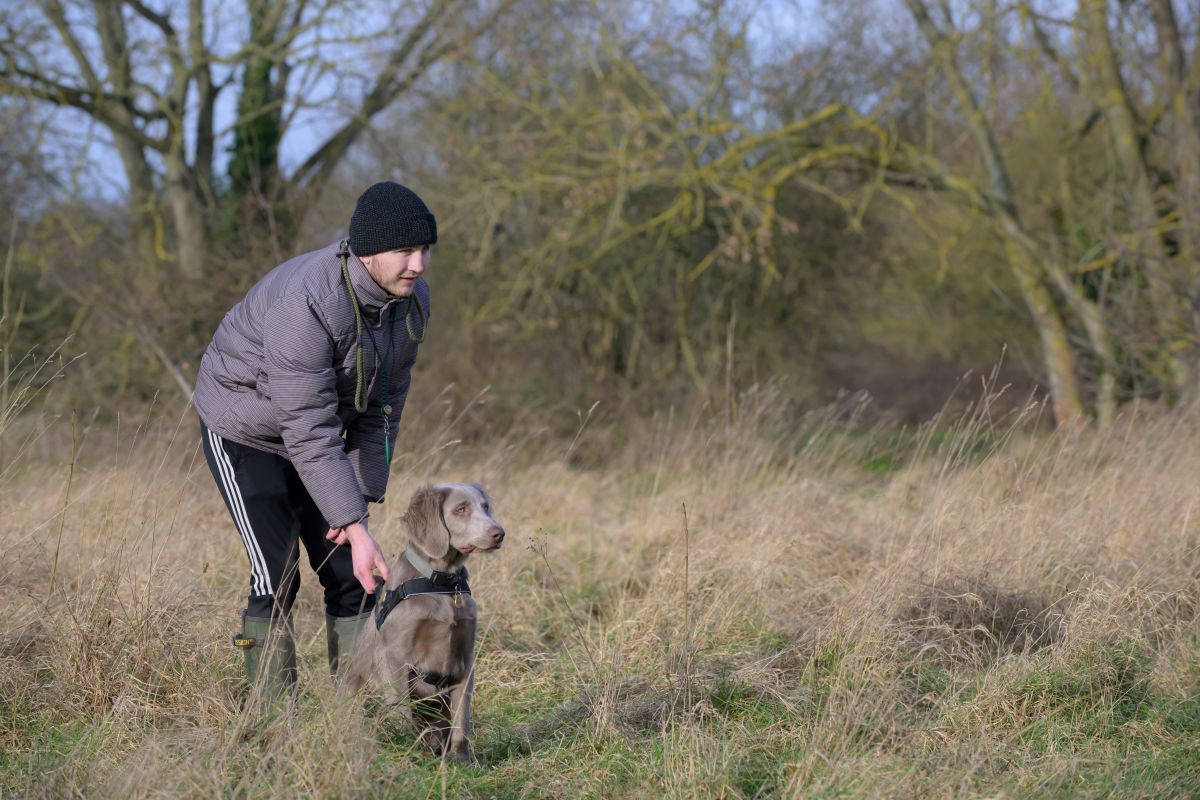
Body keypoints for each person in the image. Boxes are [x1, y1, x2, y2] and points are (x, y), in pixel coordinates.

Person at [194, 182, 434, 698]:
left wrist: (360, 509)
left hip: (316, 433)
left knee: (354, 573)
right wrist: (351, 521)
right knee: (276, 576)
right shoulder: (307, 300)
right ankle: (271, 720)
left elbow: (382, 408)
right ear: (367, 252)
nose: (417, 264)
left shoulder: (409, 304)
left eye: (424, 251)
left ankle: (356, 711)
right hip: (245, 429)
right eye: (404, 252)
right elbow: (306, 422)